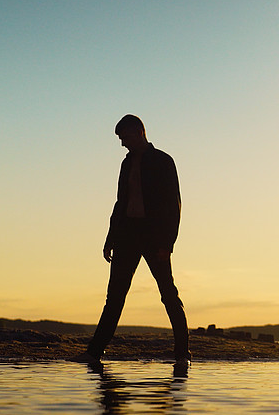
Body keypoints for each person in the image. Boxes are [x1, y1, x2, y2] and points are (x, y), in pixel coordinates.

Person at [71, 114, 190, 368]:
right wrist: (110, 238)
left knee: (168, 294)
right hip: (127, 235)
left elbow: (174, 205)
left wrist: (167, 243)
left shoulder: (163, 161)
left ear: (139, 132)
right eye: (120, 139)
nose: (122, 143)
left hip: (155, 236)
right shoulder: (126, 164)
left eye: (125, 137)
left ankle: (182, 355)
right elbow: (120, 203)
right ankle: (94, 353)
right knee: (114, 296)